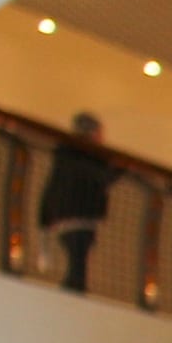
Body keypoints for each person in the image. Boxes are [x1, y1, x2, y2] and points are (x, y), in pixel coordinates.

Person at [37, 114, 117, 293]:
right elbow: (104, 177)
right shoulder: (86, 155)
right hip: (80, 217)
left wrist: (45, 220)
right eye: (99, 133)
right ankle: (71, 297)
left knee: (77, 263)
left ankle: (72, 294)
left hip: (66, 218)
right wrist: (122, 167)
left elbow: (51, 187)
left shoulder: (65, 155)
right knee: (78, 265)